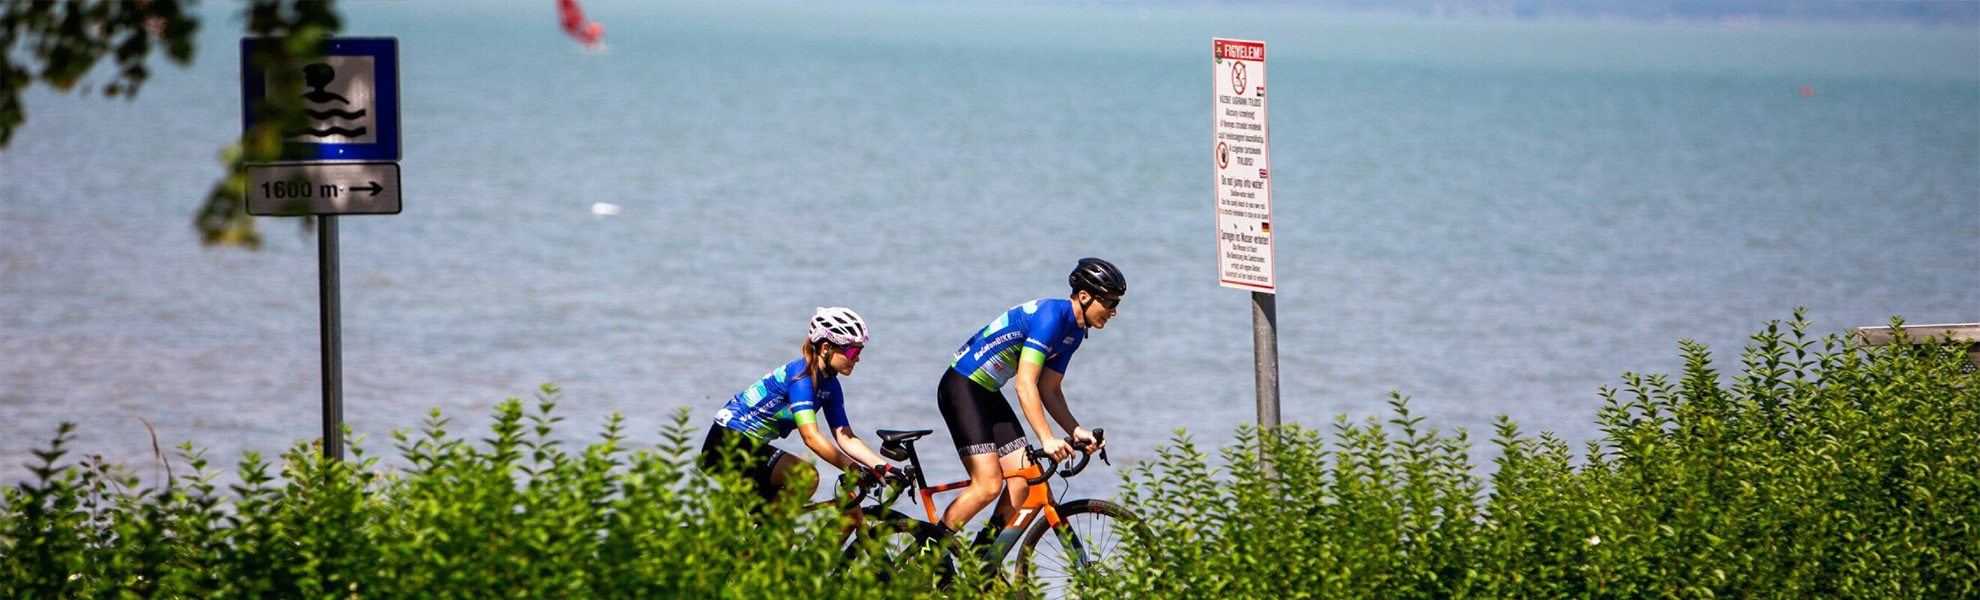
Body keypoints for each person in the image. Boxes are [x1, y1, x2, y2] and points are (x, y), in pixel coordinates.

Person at [936, 257, 1122, 533]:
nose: (1113, 311)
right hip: (961, 385)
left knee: (1022, 482)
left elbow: (1049, 388)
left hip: (987, 392)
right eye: (1109, 302)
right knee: (987, 485)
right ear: (1084, 296)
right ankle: (927, 558)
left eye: (1116, 303)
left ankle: (981, 566)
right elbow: (1025, 384)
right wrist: (1046, 439)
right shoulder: (1052, 317)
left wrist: (1075, 429)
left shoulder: (1074, 332)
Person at [699, 307, 895, 505]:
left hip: (753, 447)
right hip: (727, 443)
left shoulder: (830, 385)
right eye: (852, 351)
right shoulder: (801, 378)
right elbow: (811, 437)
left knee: (779, 513)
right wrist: (852, 468)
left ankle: (761, 531)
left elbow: (846, 437)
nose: (857, 358)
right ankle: (767, 534)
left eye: (859, 351)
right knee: (805, 478)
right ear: (826, 348)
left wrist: (885, 468)